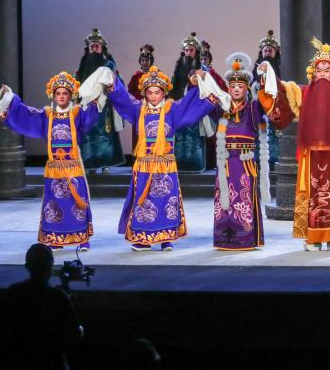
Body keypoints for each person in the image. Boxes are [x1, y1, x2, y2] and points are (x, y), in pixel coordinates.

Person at [85, 64, 227, 250]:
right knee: (143, 202)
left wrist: (197, 83)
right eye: (150, 92)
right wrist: (112, 81)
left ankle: (166, 238)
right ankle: (142, 238)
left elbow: (189, 105)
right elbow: (123, 98)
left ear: (163, 93)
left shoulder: (171, 110)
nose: (153, 96)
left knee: (166, 201)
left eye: (157, 92)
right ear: (144, 93)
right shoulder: (138, 109)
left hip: (165, 165)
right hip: (144, 164)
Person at [0, 72, 100, 249]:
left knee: (77, 202)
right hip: (54, 168)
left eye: (65, 93)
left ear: (71, 95)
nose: (61, 97)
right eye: (58, 93)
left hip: (73, 166)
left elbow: (90, 118)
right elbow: (26, 115)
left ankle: (81, 238)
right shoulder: (47, 116)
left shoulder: (77, 113)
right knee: (54, 204)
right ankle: (55, 238)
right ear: (53, 95)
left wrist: (95, 98)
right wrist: (9, 99)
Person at [276, 36, 330, 252]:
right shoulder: (303, 93)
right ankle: (312, 238)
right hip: (310, 155)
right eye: (319, 69)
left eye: (327, 69)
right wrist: (268, 74)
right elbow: (281, 94)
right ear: (313, 73)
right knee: (312, 196)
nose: (323, 73)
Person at [210, 54, 291, 250]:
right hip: (225, 162)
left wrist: (265, 75)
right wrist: (201, 79)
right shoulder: (222, 108)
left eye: (240, 86)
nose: (236, 89)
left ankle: (244, 238)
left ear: (246, 88)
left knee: (243, 198)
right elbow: (207, 100)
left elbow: (268, 98)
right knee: (223, 201)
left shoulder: (253, 108)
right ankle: (223, 239)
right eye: (233, 86)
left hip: (244, 162)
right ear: (228, 89)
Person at [7, 243, 83, 370]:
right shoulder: (58, 297)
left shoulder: (13, 293)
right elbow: (76, 335)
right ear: (51, 266)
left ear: (27, 266)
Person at [75, 28, 125, 170]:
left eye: (97, 46)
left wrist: (111, 88)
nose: (94, 49)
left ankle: (105, 164)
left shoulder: (109, 65)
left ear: (102, 48)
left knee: (105, 134)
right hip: (86, 106)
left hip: (104, 106)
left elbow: (119, 82)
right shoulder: (83, 65)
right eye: (91, 46)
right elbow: (76, 82)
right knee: (88, 134)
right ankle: (89, 164)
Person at [168, 32, 208, 172]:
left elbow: (207, 89)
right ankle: (179, 164)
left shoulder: (202, 69)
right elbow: (173, 86)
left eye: (191, 50)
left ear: (196, 52)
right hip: (180, 107)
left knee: (194, 137)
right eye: (186, 50)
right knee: (180, 136)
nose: (188, 53)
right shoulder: (178, 68)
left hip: (195, 107)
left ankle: (195, 164)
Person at [253, 30, 283, 168]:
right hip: (259, 107)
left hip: (276, 107)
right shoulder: (256, 68)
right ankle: (259, 159)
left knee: (275, 135)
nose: (267, 53)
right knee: (260, 132)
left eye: (270, 51)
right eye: (265, 51)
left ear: (275, 52)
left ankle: (274, 159)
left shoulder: (281, 68)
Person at [199, 40, 228, 171]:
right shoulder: (194, 74)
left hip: (212, 110)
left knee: (213, 137)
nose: (203, 61)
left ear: (210, 61)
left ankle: (213, 162)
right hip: (198, 110)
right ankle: (200, 162)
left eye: (205, 59)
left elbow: (224, 91)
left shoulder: (215, 75)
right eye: (201, 59)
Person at [127, 45, 155, 151]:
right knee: (138, 133)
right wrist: (140, 98)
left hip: (153, 109)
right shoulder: (136, 77)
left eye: (147, 60)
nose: (144, 63)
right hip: (138, 109)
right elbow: (130, 92)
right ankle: (137, 157)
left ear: (151, 62)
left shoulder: (157, 75)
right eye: (142, 60)